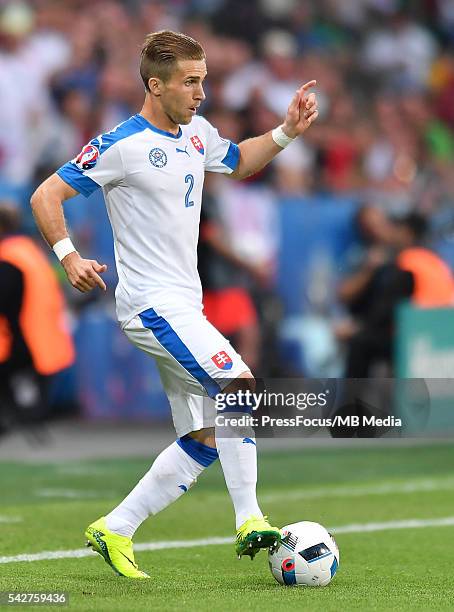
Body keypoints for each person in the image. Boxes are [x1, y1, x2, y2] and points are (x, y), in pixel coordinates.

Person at [30, 30, 318, 579]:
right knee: (237, 385)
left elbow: (238, 160)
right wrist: (68, 257)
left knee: (206, 436)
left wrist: (285, 132)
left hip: (185, 304)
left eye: (203, 80)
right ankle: (250, 518)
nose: (201, 93)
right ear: (155, 85)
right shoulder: (120, 144)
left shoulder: (197, 133)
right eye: (190, 82)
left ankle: (115, 528)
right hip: (150, 305)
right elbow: (46, 195)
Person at [0, 202, 75, 434]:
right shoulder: (29, 251)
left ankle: (16, 417)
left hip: (25, 337)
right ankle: (28, 416)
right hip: (46, 336)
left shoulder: (9, 257)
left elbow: (5, 300)